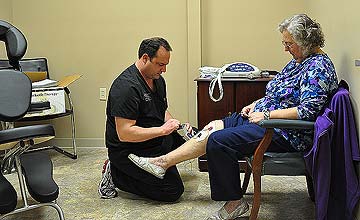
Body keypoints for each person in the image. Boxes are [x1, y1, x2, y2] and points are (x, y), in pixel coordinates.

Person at [128, 14, 338, 219]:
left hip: (283, 130)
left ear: (305, 41)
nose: (285, 48)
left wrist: (266, 113)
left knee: (219, 142)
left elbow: (306, 111)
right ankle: (162, 163)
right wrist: (255, 104)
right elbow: (278, 92)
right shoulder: (299, 61)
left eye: (289, 43)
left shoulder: (318, 68)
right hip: (264, 118)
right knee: (214, 126)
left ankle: (235, 203)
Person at [98, 37, 194, 202]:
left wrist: (176, 125)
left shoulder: (158, 80)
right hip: (128, 150)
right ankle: (115, 173)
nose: (164, 70)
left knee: (196, 139)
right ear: (145, 58)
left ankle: (159, 165)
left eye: (166, 65)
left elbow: (161, 110)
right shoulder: (126, 88)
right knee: (173, 190)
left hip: (153, 139)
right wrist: (163, 130)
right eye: (160, 64)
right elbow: (125, 133)